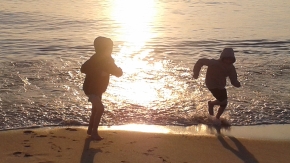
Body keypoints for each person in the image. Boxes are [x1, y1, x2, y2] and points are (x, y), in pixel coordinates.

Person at [81, 36, 123, 140]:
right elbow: (83, 68)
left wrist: (118, 71)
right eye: (108, 48)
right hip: (91, 89)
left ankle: (90, 129)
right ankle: (94, 132)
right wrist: (98, 71)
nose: (110, 50)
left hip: (99, 89)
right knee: (100, 109)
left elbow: (115, 71)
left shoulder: (109, 60)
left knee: (95, 109)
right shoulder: (95, 59)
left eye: (111, 48)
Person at [193, 48, 241, 120]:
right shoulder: (214, 63)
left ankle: (216, 116)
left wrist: (236, 83)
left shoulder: (231, 68)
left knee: (224, 103)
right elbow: (200, 61)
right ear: (222, 58)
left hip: (221, 85)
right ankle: (212, 113)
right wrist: (196, 73)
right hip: (211, 84)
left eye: (230, 59)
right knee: (223, 101)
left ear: (233, 59)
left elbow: (233, 77)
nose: (228, 61)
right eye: (226, 59)